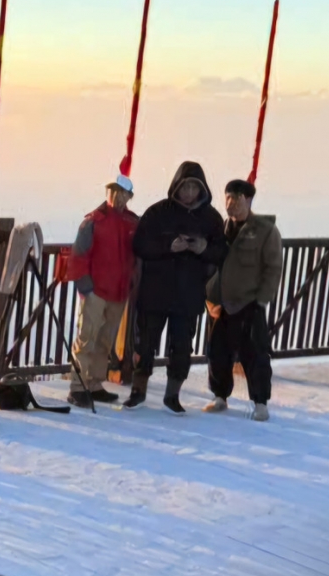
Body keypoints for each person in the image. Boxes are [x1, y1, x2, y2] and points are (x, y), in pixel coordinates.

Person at [125, 161, 226, 412]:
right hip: (155, 291)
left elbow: (222, 252)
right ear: (176, 186)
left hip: (189, 294)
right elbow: (139, 244)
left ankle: (173, 395)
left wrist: (203, 248)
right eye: (185, 187)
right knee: (145, 343)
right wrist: (168, 246)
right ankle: (138, 391)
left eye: (194, 187)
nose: (189, 192)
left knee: (182, 346)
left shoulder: (212, 219)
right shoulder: (158, 212)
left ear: (202, 190)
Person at [204, 179, 282, 422]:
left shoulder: (264, 230)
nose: (231, 203)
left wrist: (261, 300)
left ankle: (260, 402)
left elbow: (273, 268)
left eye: (236, 198)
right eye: (228, 197)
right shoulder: (220, 230)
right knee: (217, 351)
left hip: (249, 302)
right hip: (220, 304)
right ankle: (220, 396)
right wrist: (209, 298)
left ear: (248, 200)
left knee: (255, 353)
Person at [66, 174, 139, 406]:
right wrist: (85, 285)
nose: (117, 197)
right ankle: (78, 387)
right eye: (113, 191)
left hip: (119, 291)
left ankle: (95, 383)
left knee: (105, 341)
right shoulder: (93, 221)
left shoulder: (132, 223)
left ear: (128, 197)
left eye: (122, 193)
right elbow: (79, 255)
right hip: (96, 290)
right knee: (86, 338)